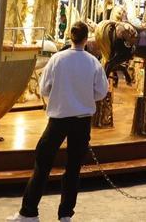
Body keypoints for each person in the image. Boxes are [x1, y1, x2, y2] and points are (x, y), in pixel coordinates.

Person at [10, 21, 108, 222]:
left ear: (69, 36)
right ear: (86, 39)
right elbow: (101, 92)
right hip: (82, 120)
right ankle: (65, 214)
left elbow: (44, 88)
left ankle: (29, 211)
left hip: (58, 119)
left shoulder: (57, 59)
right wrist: (84, 96)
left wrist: (62, 93)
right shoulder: (93, 62)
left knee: (43, 163)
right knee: (73, 168)